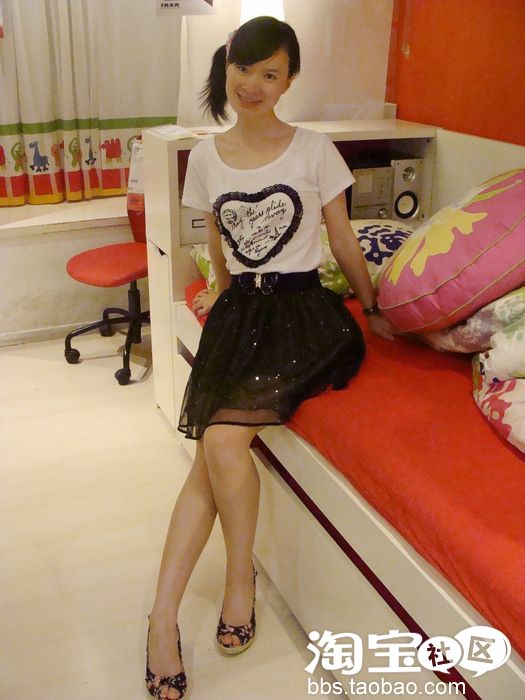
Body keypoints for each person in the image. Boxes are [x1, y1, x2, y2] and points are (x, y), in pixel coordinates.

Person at [145, 15, 395, 700]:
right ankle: (163, 619)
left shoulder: (314, 150)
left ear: (288, 82)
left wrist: (373, 306)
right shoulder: (205, 158)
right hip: (242, 316)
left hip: (304, 315)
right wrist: (219, 290)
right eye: (243, 68)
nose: (251, 84)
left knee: (221, 440)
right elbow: (219, 240)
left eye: (269, 73)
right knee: (213, 448)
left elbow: (341, 239)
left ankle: (236, 580)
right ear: (225, 65)